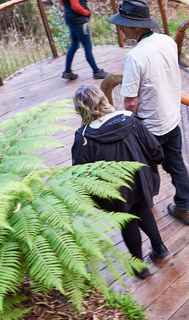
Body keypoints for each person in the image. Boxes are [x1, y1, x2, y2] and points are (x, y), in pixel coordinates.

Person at [108, 0, 189, 226]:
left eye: (123, 24)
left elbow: (129, 101)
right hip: (171, 118)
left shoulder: (135, 56)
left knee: (144, 169)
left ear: (137, 28)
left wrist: (129, 125)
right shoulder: (167, 41)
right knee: (176, 163)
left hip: (149, 127)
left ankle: (146, 204)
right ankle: (185, 207)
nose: (120, 28)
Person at [72, 84, 170, 279]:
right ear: (103, 99)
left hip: (113, 190)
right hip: (140, 180)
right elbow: (155, 149)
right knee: (143, 208)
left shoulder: (84, 138)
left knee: (127, 221)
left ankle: (139, 266)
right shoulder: (130, 120)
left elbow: (81, 174)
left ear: (80, 109)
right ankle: (160, 248)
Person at [58, 0, 108, 81]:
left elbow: (61, 0)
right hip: (78, 20)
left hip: (70, 18)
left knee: (74, 44)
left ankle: (67, 71)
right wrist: (86, 12)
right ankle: (96, 71)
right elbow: (76, 6)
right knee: (88, 47)